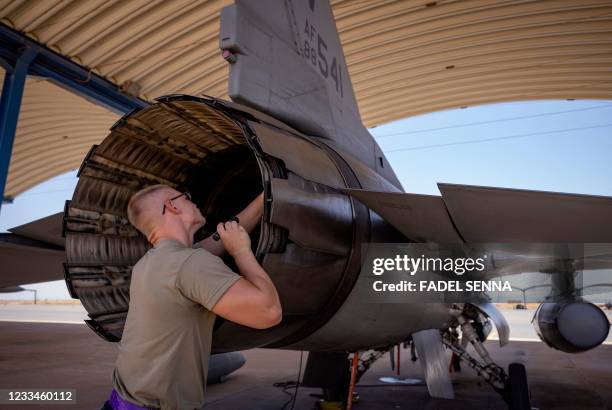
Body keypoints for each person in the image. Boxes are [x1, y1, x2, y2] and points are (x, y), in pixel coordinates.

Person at [100, 184, 282, 410]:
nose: (193, 200)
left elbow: (220, 238)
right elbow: (269, 312)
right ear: (171, 206)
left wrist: (267, 194)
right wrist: (241, 252)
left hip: (122, 400)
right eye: (186, 196)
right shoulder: (190, 264)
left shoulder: (151, 263)